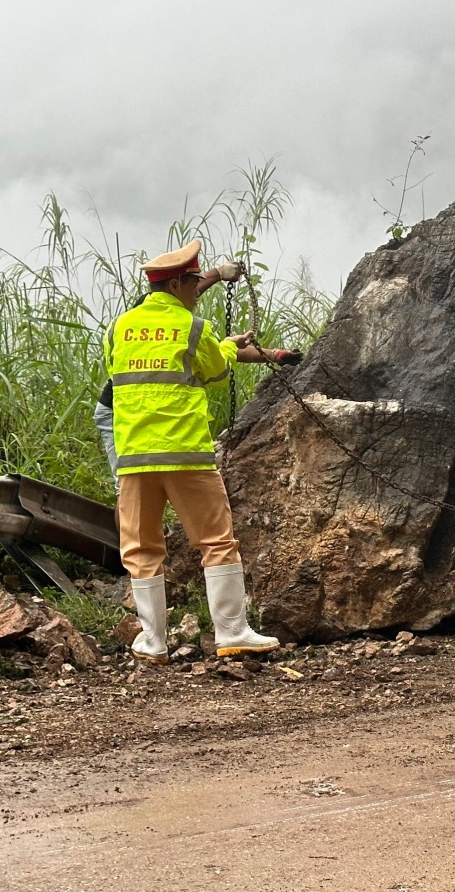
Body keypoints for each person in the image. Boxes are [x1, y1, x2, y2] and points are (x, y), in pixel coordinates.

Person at [105, 239, 292, 663]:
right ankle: (232, 632)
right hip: (185, 452)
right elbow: (218, 372)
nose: (195, 288)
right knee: (216, 540)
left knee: (140, 547)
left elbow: (114, 372)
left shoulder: (119, 327)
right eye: (192, 281)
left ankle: (153, 642)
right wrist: (228, 344)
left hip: (134, 455)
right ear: (174, 286)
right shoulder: (194, 327)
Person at [94, 261, 302, 490]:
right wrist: (218, 274)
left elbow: (219, 350)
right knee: (126, 489)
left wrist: (275, 355)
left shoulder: (179, 325)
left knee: (138, 490)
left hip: (142, 416)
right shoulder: (151, 317)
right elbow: (221, 359)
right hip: (117, 411)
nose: (195, 295)